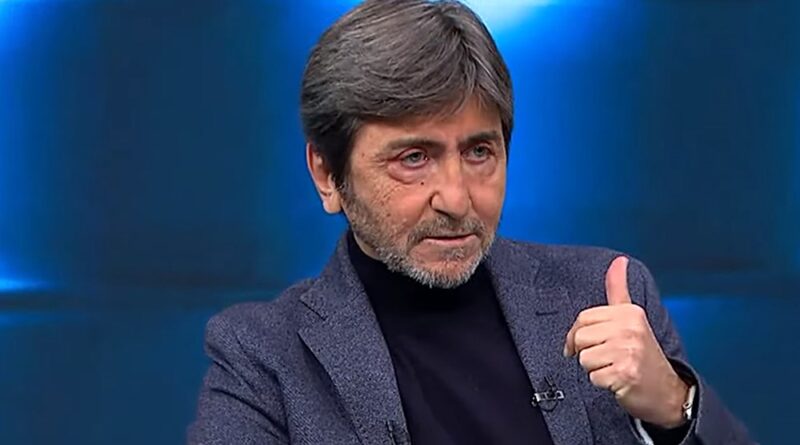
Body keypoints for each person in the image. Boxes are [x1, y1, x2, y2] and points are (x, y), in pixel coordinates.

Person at [188, 1, 753, 444]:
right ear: (327, 174)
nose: (457, 199)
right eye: (414, 158)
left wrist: (675, 406)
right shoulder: (262, 357)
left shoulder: (607, 295)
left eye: (479, 152)